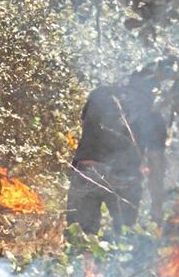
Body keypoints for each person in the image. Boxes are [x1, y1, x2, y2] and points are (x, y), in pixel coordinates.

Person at [66, 68, 168, 235]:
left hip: (86, 171)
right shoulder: (153, 116)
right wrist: (157, 206)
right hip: (124, 179)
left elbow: (85, 126)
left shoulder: (99, 94)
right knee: (123, 241)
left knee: (79, 239)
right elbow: (155, 163)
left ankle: (78, 258)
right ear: (152, 91)